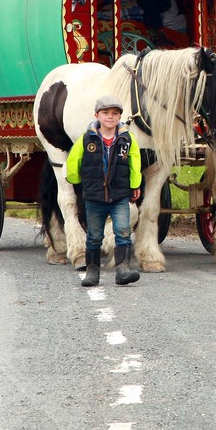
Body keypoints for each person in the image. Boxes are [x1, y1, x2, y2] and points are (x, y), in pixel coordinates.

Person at [67, 95, 142, 287]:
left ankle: (123, 270)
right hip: (95, 197)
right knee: (94, 235)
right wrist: (76, 182)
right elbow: (73, 162)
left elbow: (135, 163)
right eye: (106, 113)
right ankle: (92, 272)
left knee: (123, 231)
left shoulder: (127, 139)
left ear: (119, 117)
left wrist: (135, 185)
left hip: (119, 196)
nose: (110, 117)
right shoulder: (86, 139)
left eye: (115, 113)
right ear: (97, 115)